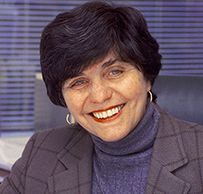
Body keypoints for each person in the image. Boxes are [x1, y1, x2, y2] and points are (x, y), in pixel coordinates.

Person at [0, 1, 203, 193]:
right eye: (78, 82)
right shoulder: (42, 151)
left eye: (115, 72)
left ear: (146, 77)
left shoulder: (198, 154)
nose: (99, 96)